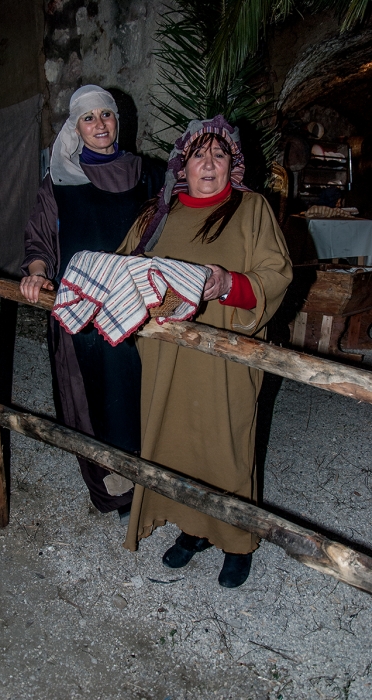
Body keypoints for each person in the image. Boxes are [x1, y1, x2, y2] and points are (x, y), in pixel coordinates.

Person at [118, 115, 293, 587]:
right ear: (184, 166)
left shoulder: (251, 209)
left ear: (232, 164)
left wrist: (227, 284)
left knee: (228, 441)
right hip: (168, 357)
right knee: (175, 441)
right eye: (199, 155)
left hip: (226, 355)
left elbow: (276, 273)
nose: (209, 163)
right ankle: (193, 529)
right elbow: (125, 269)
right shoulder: (158, 214)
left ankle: (237, 539)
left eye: (219, 154)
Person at [19, 85, 164, 521]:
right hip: (84, 310)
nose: (100, 124)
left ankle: (154, 483)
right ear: (76, 127)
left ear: (117, 122)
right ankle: (116, 488)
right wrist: (38, 271)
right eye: (88, 117)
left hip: (139, 308)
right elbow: (40, 236)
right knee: (96, 395)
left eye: (106, 115)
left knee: (142, 392)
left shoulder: (147, 174)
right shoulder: (59, 180)